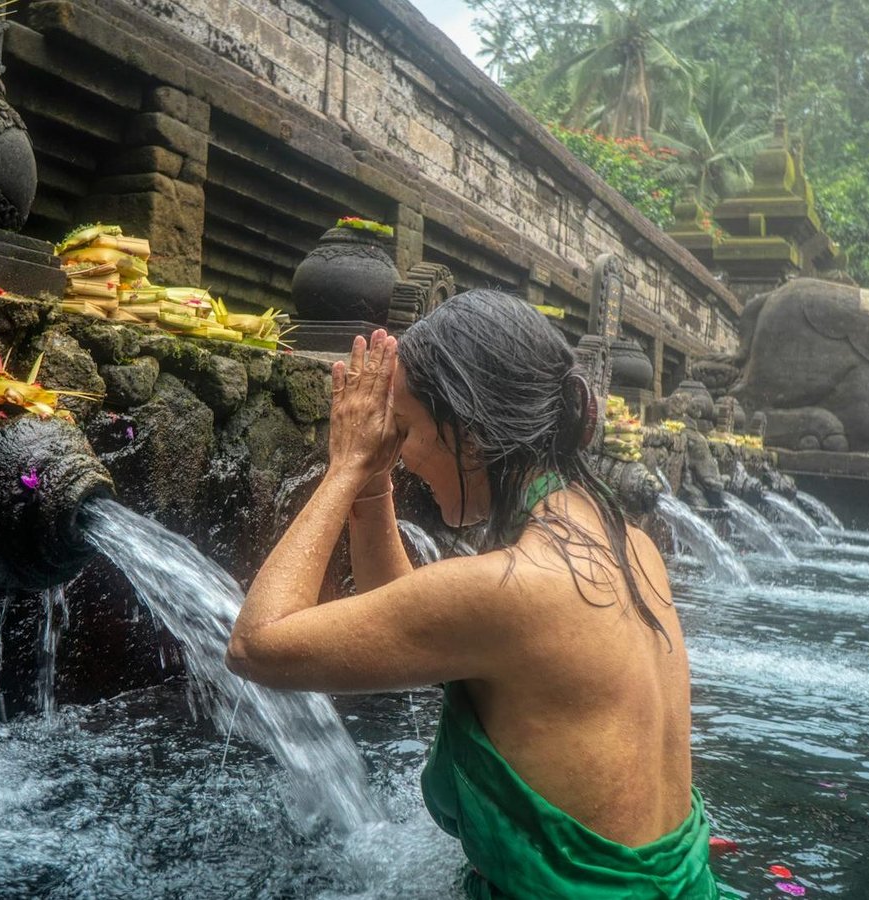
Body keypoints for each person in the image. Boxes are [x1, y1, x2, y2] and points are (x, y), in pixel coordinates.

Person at [227, 291, 717, 898]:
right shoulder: (633, 547)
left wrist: (346, 466)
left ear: (473, 436)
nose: (399, 455)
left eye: (404, 431)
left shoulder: (514, 588)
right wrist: (374, 486)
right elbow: (416, 620)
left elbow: (255, 643)